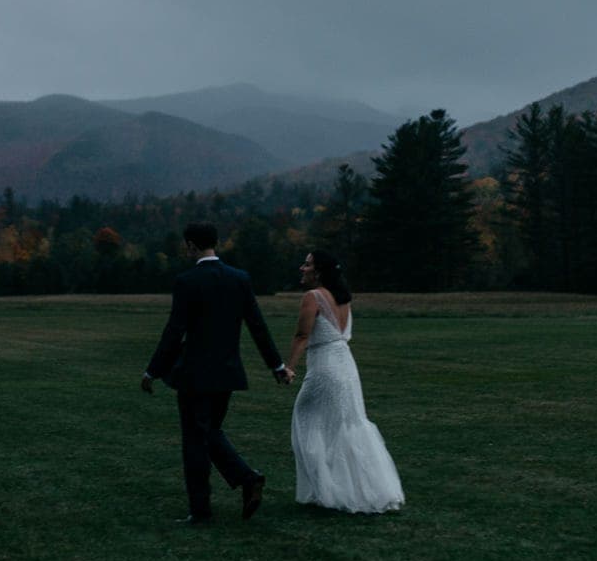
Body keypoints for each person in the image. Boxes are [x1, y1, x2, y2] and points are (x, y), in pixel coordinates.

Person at [140, 222, 292, 524]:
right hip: (227, 373)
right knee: (209, 434)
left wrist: (152, 371)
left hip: (194, 375)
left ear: (192, 246)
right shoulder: (240, 279)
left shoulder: (187, 281)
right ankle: (245, 481)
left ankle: (207, 507)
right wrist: (276, 365)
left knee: (196, 441)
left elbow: (174, 332)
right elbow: (257, 326)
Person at [285, 249, 404, 513]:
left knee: (307, 421)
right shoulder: (343, 299)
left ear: (319, 271)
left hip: (325, 368)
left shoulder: (313, 296)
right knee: (346, 424)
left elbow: (302, 335)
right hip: (346, 368)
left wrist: (288, 368)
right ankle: (352, 489)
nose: (302, 269)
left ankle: (328, 490)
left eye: (306, 265)